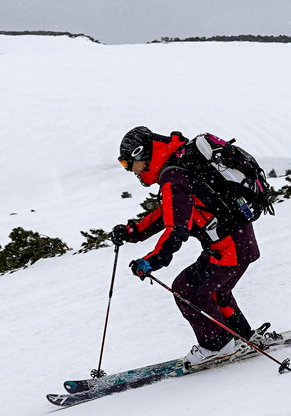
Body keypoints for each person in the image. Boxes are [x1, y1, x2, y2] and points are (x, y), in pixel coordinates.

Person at [111, 125, 263, 366]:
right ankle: (244, 337)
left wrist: (152, 261)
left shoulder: (172, 177)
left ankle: (216, 346)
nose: (131, 170)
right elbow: (170, 212)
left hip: (227, 249)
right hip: (243, 242)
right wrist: (135, 231)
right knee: (215, 292)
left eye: (128, 163)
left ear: (142, 154)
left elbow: (176, 229)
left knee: (186, 290)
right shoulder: (180, 164)